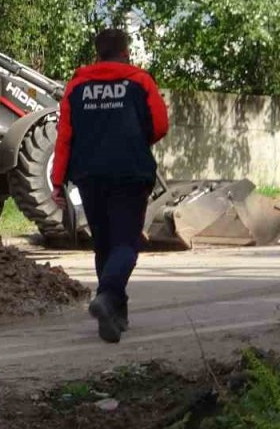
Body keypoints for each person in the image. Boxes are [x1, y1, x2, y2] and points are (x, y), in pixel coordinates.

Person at [51, 28, 168, 344]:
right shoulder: (140, 81)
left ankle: (116, 315)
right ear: (126, 52)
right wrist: (135, 140)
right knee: (127, 244)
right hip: (130, 174)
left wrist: (57, 181)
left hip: (89, 176)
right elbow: (160, 125)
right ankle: (106, 296)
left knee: (104, 244)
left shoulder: (76, 87)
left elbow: (64, 138)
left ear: (98, 53)